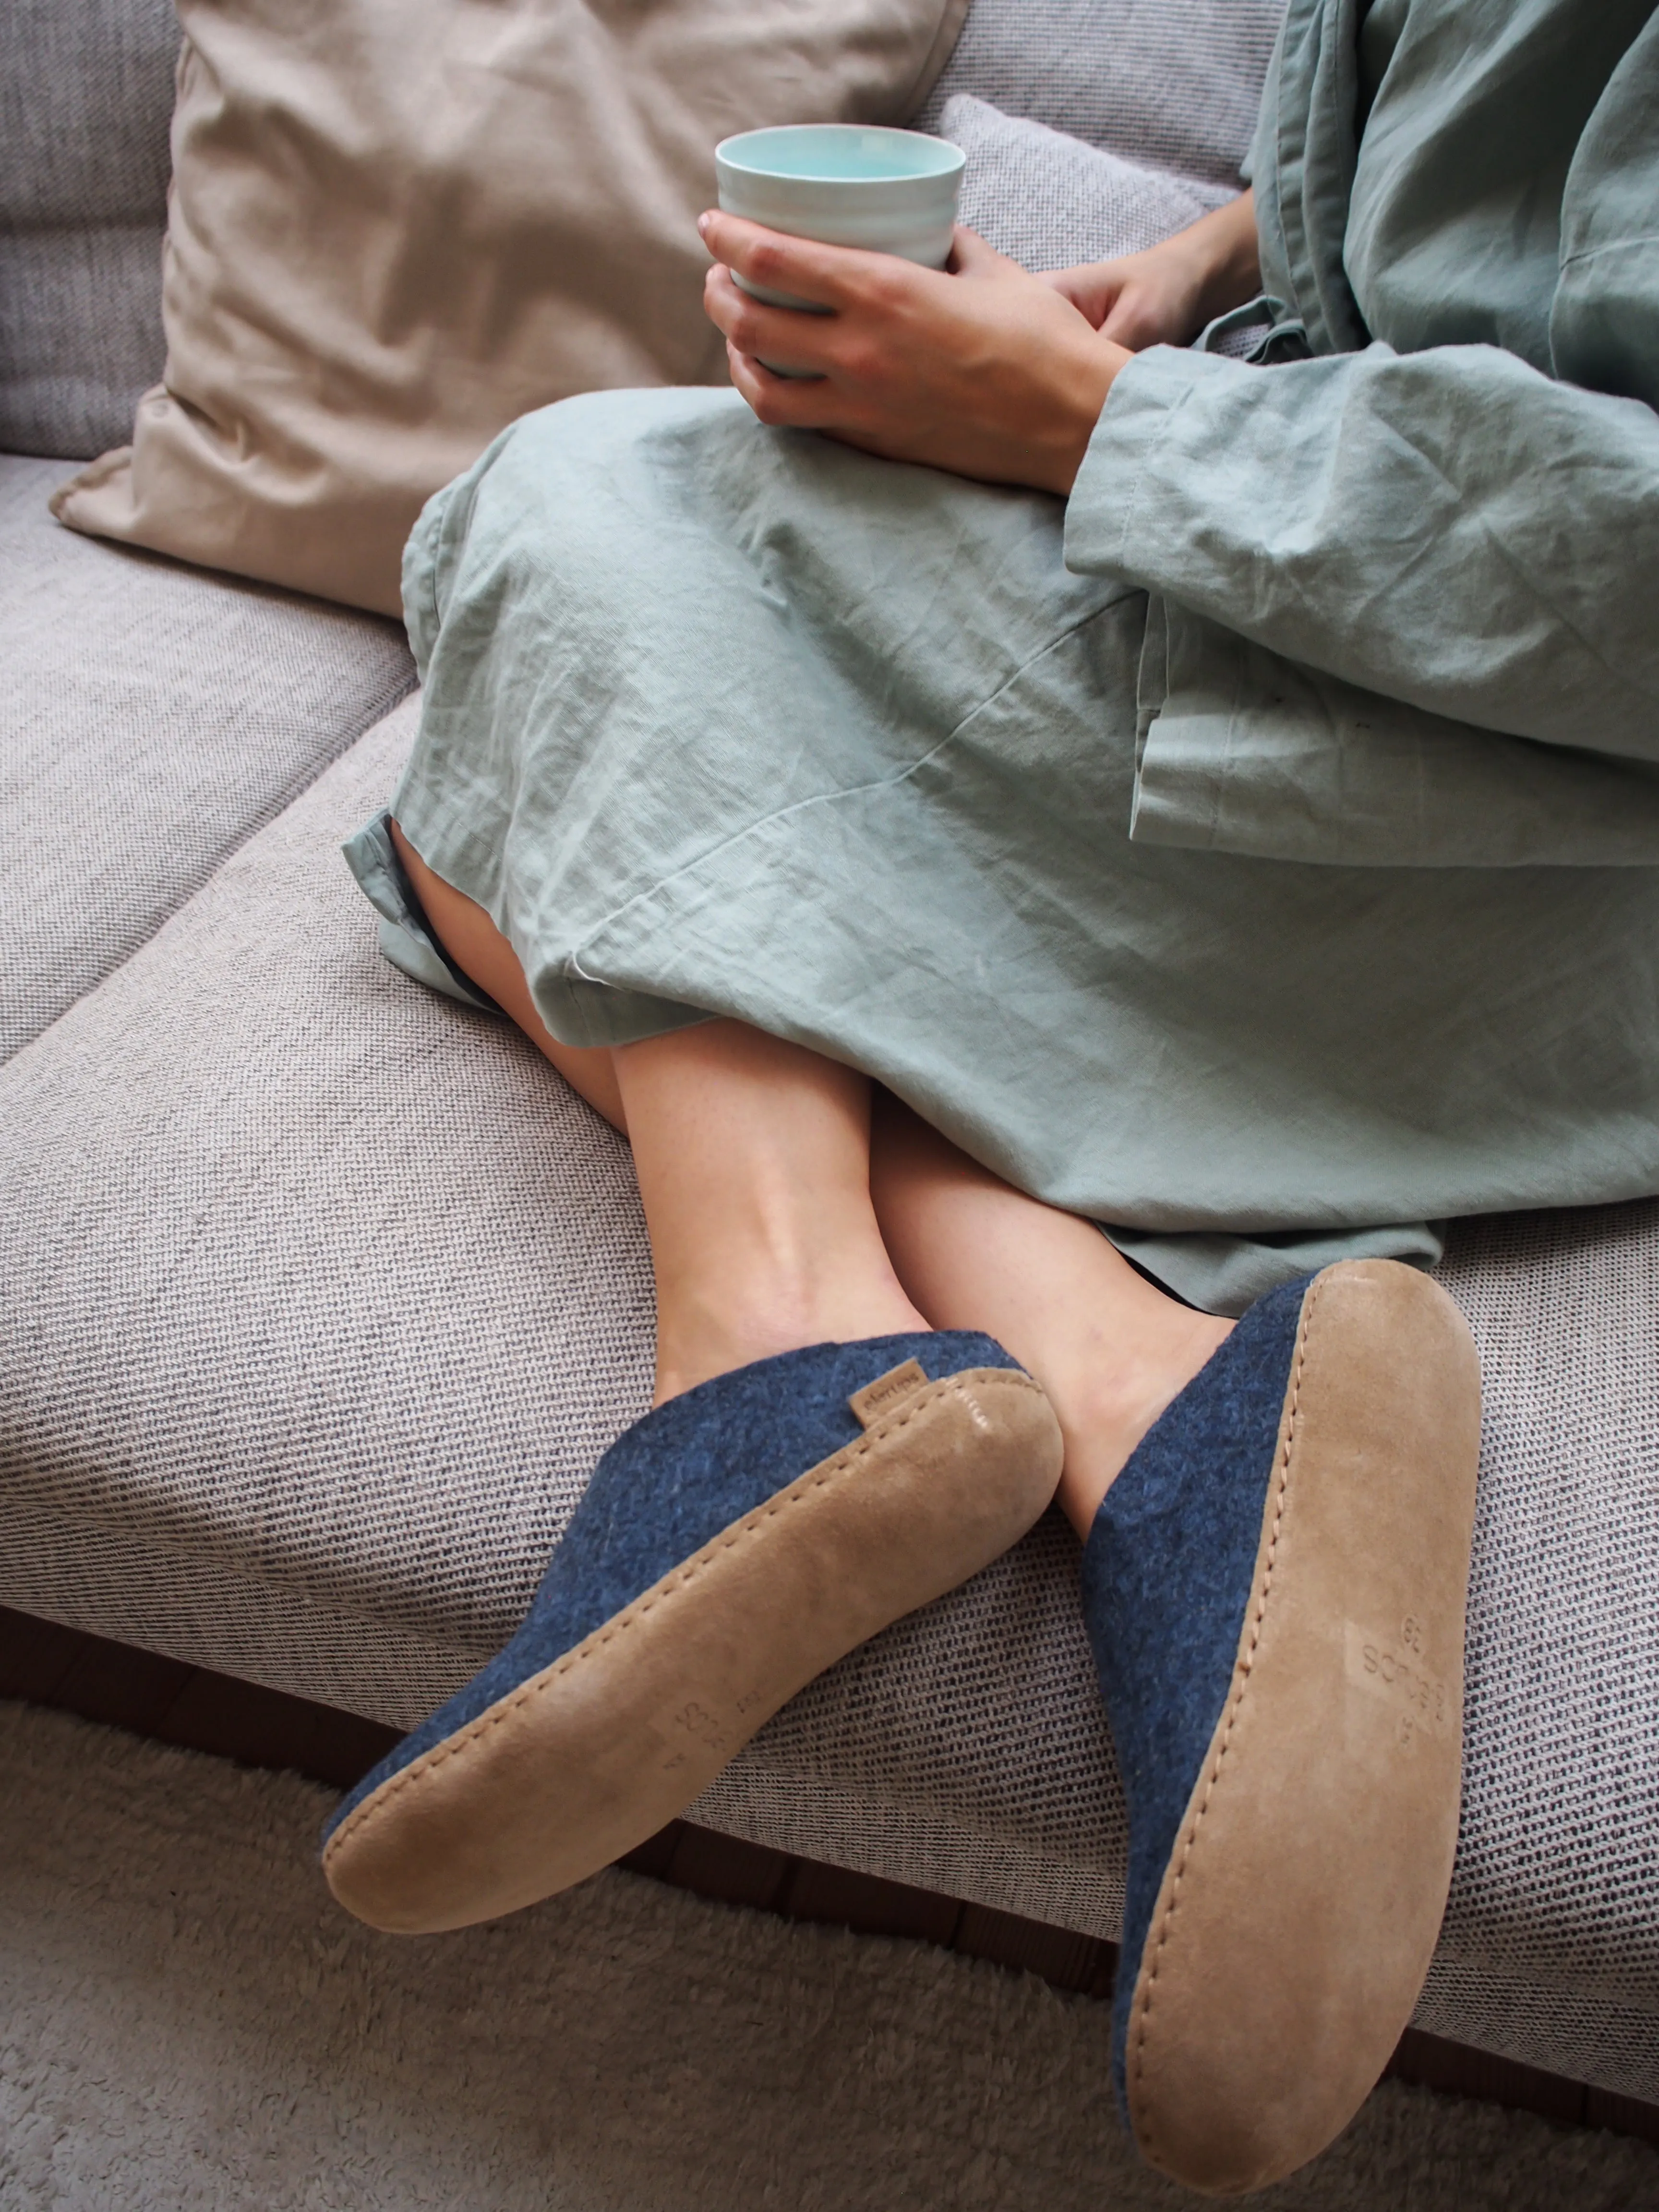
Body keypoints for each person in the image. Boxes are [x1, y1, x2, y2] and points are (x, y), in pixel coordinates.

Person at [321, 0, 1659, 2190]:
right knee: (495, 788)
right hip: (1425, 702)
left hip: (1541, 860)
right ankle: (1120, 1383)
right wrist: (1226, 257)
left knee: (553, 540)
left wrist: (1108, 426)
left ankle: (801, 1338)